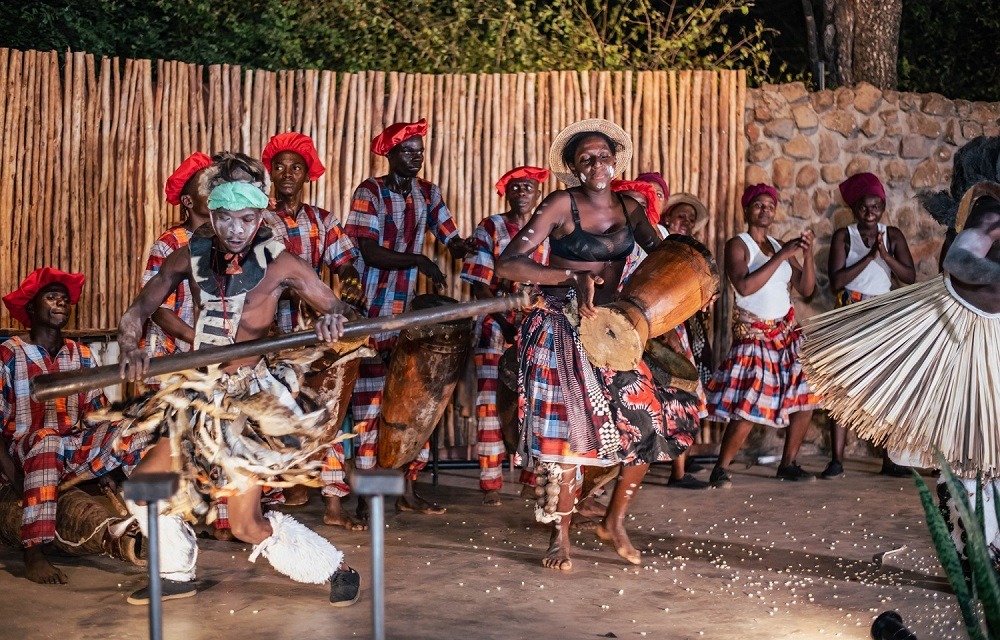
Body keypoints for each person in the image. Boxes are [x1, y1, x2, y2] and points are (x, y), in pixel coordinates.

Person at [115, 154, 361, 606]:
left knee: (246, 524)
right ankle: (174, 573)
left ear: (260, 217)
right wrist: (131, 343)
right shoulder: (190, 255)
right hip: (199, 394)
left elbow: (338, 308)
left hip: (247, 401)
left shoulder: (282, 264)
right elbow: (139, 310)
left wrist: (334, 320)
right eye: (225, 218)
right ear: (211, 217)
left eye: (247, 219)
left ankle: (334, 567)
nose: (235, 229)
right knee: (145, 487)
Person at [497, 119, 696, 571]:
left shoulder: (630, 208)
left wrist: (695, 277)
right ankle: (560, 536)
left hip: (615, 330)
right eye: (586, 159)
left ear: (614, 160)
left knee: (652, 422)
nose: (596, 165)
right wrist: (572, 275)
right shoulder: (559, 205)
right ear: (572, 166)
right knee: (568, 438)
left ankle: (614, 521)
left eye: (603, 156)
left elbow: (666, 255)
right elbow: (508, 263)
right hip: (559, 325)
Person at [802, 137, 1000, 575]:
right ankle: (974, 558)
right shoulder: (991, 214)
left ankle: (985, 554)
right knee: (970, 454)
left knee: (989, 457)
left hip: (991, 337)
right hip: (964, 336)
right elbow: (961, 261)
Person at [344, 118, 474, 516]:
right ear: (390, 154)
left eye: (419, 151)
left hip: (408, 316)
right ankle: (367, 498)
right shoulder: (370, 192)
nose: (415, 157)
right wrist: (418, 258)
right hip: (372, 311)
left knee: (415, 402)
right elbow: (366, 250)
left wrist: (467, 246)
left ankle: (406, 490)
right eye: (407, 151)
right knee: (370, 405)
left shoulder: (429, 194)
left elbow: (452, 239)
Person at [0, 268, 151, 584]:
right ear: (30, 306)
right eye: (51, 297)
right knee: (48, 440)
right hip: (25, 451)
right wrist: (14, 479)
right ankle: (34, 553)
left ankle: (155, 526)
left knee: (136, 431)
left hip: (70, 449)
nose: (60, 304)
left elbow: (99, 415)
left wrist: (111, 465)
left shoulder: (81, 355)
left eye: (65, 300)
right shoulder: (9, 352)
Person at [260, 131, 367, 530]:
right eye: (280, 167)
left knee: (331, 412)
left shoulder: (323, 221)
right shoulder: (257, 220)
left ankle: (333, 504)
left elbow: (346, 265)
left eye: (296, 167)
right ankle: (270, 501)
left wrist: (349, 297)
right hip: (271, 336)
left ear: (308, 174)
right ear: (270, 171)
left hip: (317, 334)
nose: (287, 174)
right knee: (271, 414)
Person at [707, 184, 818, 489]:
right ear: (747, 209)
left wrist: (807, 256)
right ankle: (721, 467)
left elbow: (807, 290)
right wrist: (782, 255)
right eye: (759, 205)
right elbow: (744, 286)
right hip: (754, 335)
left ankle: (788, 463)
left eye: (770, 206)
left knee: (806, 394)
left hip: (786, 334)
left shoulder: (778, 243)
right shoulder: (738, 245)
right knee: (749, 401)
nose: (765, 210)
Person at [461, 165, 549, 506]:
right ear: (506, 193)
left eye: (529, 187)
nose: (523, 192)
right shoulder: (491, 227)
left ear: (539, 194)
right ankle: (491, 482)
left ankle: (532, 479)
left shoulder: (549, 230)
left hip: (538, 329)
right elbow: (480, 286)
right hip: (494, 327)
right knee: (490, 404)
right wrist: (506, 320)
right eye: (516, 187)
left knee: (536, 402)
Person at [821, 172, 915, 479]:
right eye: (864, 205)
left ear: (884, 206)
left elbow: (909, 277)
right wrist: (870, 257)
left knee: (885, 387)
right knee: (842, 385)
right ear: (854, 207)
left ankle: (889, 459)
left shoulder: (894, 234)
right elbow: (837, 282)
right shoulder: (844, 236)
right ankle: (837, 460)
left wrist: (885, 255)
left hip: (883, 314)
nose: (871, 211)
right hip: (850, 312)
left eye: (877, 205)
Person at [656, 191, 714, 490]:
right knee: (679, 395)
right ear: (667, 217)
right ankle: (677, 473)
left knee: (681, 397)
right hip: (664, 329)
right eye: (681, 216)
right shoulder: (659, 243)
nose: (686, 222)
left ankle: (679, 465)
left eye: (691, 220)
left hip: (679, 327)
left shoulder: (682, 248)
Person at [142, 152, 215, 362]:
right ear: (188, 201)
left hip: (211, 356)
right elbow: (157, 309)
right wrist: (200, 341)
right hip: (168, 356)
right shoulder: (170, 243)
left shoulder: (226, 241)